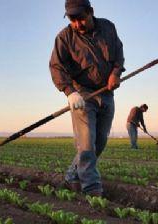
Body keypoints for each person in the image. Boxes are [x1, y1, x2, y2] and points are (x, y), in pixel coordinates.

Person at [49, 0, 125, 196]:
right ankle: (92, 189)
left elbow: (118, 53)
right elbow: (56, 67)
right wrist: (69, 92)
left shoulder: (108, 27)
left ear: (91, 12)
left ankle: (71, 176)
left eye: (80, 18)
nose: (77, 24)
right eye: (72, 20)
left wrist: (116, 73)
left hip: (106, 93)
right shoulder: (64, 38)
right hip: (82, 94)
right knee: (86, 144)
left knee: (99, 143)